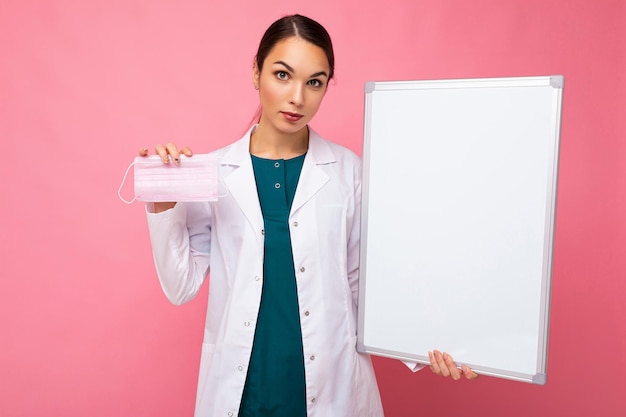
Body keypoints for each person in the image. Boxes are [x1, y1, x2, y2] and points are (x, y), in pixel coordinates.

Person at [140, 14, 477, 417]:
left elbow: (362, 286)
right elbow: (181, 286)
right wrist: (163, 199)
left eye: (314, 82)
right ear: (256, 71)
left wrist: (437, 347)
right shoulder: (213, 173)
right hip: (243, 391)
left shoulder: (348, 171)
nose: (298, 97)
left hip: (328, 387)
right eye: (283, 75)